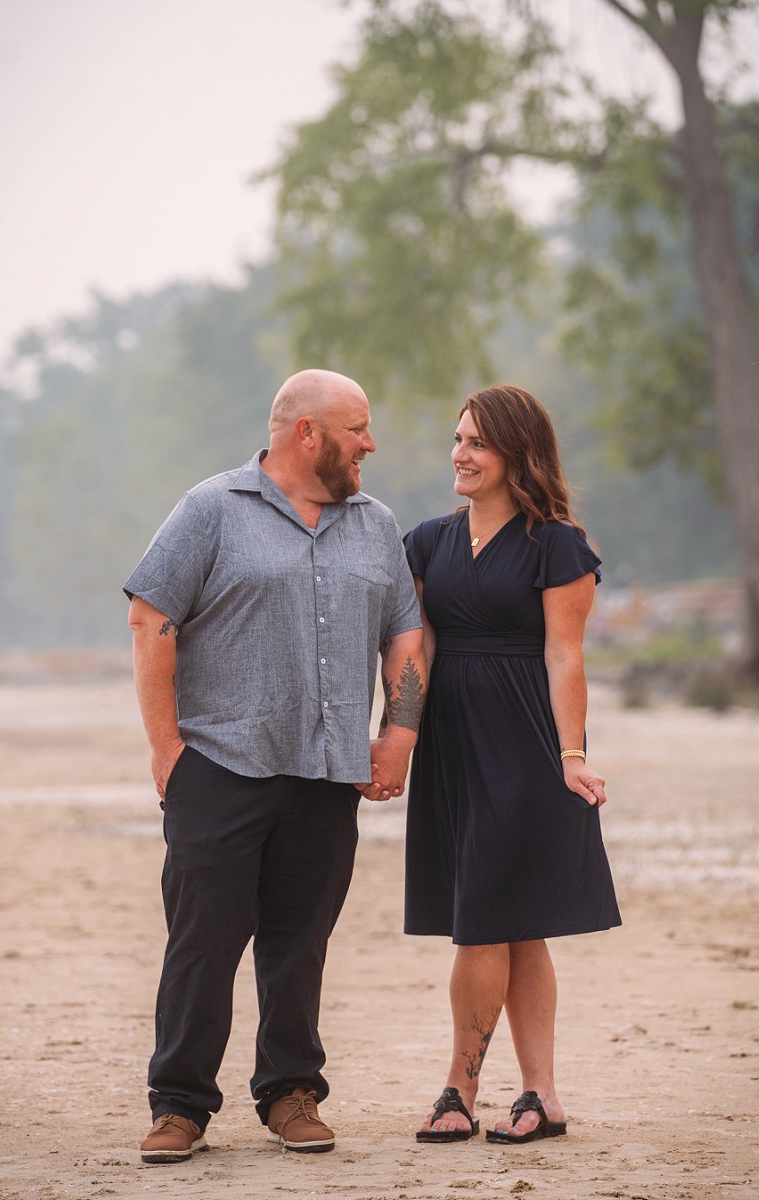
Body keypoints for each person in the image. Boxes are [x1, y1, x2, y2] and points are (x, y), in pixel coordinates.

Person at [124, 369, 425, 1164]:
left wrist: (399, 734)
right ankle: (179, 1106)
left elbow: (404, 634)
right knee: (203, 942)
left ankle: (291, 1093)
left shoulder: (375, 525)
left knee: (300, 943)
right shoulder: (211, 510)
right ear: (307, 434)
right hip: (221, 765)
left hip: (326, 776)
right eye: (357, 428)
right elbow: (152, 617)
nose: (370, 443)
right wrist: (167, 751)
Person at [405, 384, 621, 1146]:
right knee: (518, 927)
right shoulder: (427, 541)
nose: (460, 454)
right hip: (451, 748)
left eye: (477, 443)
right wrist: (398, 738)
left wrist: (571, 754)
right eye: (457, 439)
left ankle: (457, 1089)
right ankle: (543, 1097)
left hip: (527, 745)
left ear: (515, 454)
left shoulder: (557, 543)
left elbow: (565, 654)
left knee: (484, 923)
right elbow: (417, 651)